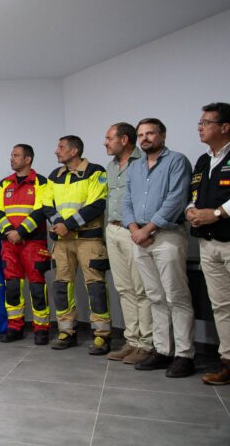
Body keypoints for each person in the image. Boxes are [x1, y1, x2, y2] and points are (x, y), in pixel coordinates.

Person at [123, 118, 194, 378]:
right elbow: (126, 201)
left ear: (162, 135)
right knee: (155, 297)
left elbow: (176, 199)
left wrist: (146, 229)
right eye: (141, 134)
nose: (145, 138)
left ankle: (185, 355)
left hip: (166, 236)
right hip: (140, 238)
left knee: (177, 297)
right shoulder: (135, 167)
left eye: (150, 133)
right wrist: (134, 229)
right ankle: (162, 350)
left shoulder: (177, 161)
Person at [43, 135, 112, 354]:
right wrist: (60, 225)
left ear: (74, 151)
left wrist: (69, 225)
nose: (56, 151)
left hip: (89, 240)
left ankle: (102, 335)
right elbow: (47, 205)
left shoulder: (96, 171)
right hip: (62, 242)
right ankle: (66, 331)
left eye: (60, 147)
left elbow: (97, 204)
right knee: (62, 286)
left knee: (95, 287)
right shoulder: (55, 176)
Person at [187, 102, 230, 385]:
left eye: (206, 122)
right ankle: (228, 361)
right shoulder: (203, 161)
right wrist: (191, 211)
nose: (200, 127)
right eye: (200, 123)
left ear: (225, 127)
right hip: (208, 242)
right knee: (221, 305)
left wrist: (215, 214)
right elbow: (194, 194)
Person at [103, 123, 153, 364]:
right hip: (112, 229)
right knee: (124, 289)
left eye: (109, 138)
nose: (105, 142)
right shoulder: (111, 167)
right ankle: (131, 341)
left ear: (124, 139)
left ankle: (146, 344)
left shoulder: (143, 163)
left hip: (133, 231)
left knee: (142, 289)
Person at [0, 144, 51, 345]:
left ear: (28, 159)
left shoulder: (41, 182)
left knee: (37, 287)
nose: (12, 158)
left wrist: (21, 232)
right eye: (11, 155)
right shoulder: (3, 184)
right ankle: (14, 326)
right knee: (12, 287)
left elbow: (41, 210)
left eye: (16, 155)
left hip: (33, 243)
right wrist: (10, 232)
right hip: (9, 244)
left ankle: (41, 328)